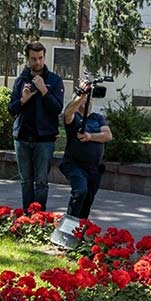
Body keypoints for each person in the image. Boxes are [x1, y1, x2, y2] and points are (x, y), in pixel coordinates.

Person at [8, 42, 65, 210]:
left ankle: (39, 218)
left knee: (41, 181)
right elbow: (12, 109)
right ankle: (27, 216)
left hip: (44, 140)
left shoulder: (54, 80)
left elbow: (57, 108)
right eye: (33, 59)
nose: (37, 62)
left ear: (44, 57)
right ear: (28, 59)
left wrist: (44, 91)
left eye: (40, 58)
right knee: (26, 181)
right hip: (22, 137)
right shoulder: (21, 81)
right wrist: (23, 99)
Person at [59, 79, 111, 219]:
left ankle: (80, 228)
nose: (86, 101)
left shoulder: (97, 118)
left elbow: (107, 135)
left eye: (89, 97)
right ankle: (68, 226)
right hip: (74, 165)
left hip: (93, 169)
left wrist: (90, 136)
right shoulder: (74, 117)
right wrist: (80, 95)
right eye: (84, 99)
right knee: (80, 191)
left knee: (87, 199)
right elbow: (67, 113)